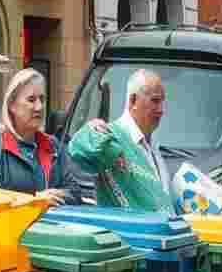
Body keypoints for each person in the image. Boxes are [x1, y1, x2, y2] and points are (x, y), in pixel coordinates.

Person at [68, 69, 177, 211]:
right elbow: (79, 148)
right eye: (155, 101)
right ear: (133, 100)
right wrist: (91, 132)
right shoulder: (111, 135)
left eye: (162, 102)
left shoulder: (152, 145)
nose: (161, 109)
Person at [0, 69, 76, 206]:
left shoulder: (53, 144)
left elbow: (75, 192)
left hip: (51, 226)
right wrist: (35, 199)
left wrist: (56, 196)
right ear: (12, 105)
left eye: (42, 99)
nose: (39, 107)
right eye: (31, 100)